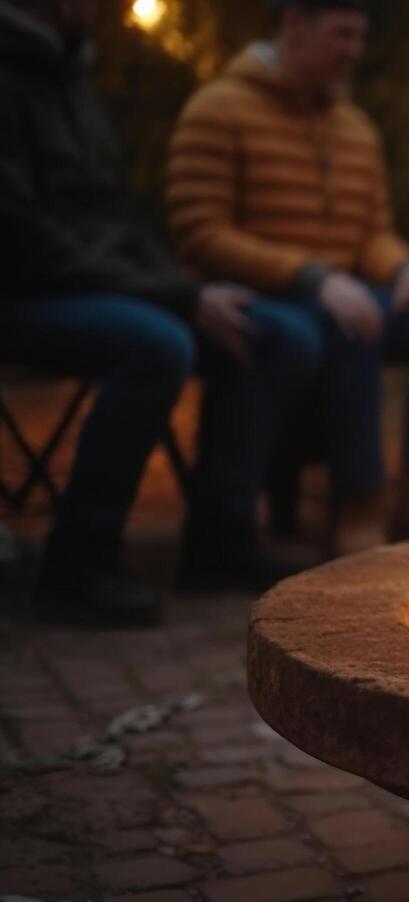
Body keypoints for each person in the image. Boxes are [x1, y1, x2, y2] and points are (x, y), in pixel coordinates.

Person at [0, 0, 319, 626]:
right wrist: (175, 298)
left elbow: (117, 217)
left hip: (96, 284)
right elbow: (21, 237)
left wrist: (181, 285)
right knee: (157, 343)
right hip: (23, 293)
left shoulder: (70, 73)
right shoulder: (13, 78)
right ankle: (78, 565)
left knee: (279, 332)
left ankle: (218, 541)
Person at [167, 0, 409, 554]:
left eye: (358, 38)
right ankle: (360, 504)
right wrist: (312, 277)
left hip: (343, 290)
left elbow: (372, 235)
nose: (353, 52)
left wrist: (408, 267)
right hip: (269, 296)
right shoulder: (218, 109)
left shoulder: (355, 127)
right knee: (350, 319)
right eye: (341, 35)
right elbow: (200, 231)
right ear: (295, 25)